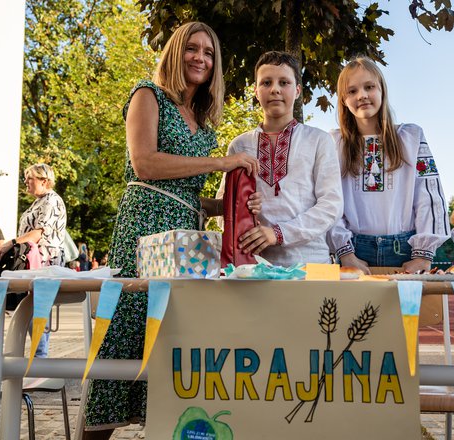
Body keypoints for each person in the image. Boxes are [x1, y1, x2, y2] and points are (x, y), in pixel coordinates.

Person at [83, 22, 259, 438]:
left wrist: (233, 207)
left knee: (172, 337)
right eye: (191, 49)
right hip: (144, 226)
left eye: (209, 52)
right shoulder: (148, 95)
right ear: (175, 53)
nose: (200, 58)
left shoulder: (202, 119)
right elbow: (145, 164)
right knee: (127, 330)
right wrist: (222, 163)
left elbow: (188, 194)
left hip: (185, 235)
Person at [327, 56, 450, 274]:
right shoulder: (334, 143)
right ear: (343, 100)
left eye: (369, 87)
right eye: (352, 91)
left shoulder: (411, 137)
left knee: (406, 309)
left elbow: (429, 195)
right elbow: (329, 200)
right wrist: (345, 253)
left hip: (406, 249)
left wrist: (423, 255)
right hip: (354, 250)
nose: (362, 95)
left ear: (382, 90)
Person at [229, 51, 343, 266]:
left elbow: (331, 205)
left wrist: (278, 233)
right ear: (256, 91)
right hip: (253, 265)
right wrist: (242, 207)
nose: (275, 89)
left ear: (297, 90)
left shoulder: (319, 140)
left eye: (284, 82)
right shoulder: (239, 145)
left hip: (309, 263)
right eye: (266, 82)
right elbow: (226, 207)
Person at [0, 163, 67, 356]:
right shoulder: (40, 201)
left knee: (37, 313)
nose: (25, 181)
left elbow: (39, 233)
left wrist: (9, 243)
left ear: (44, 180)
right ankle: (37, 361)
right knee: (32, 312)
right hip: (35, 263)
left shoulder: (51, 200)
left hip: (44, 263)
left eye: (30, 177)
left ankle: (40, 361)